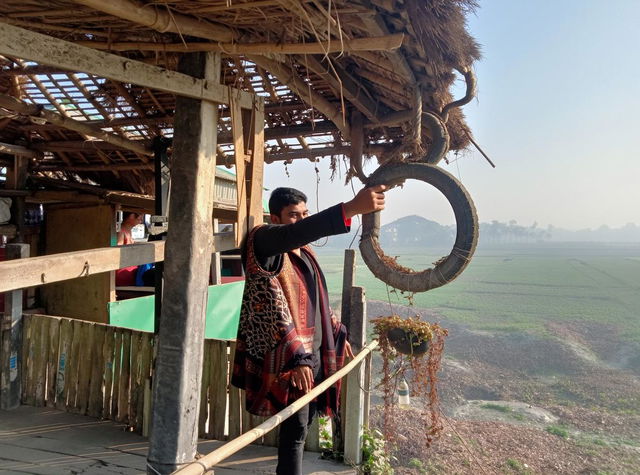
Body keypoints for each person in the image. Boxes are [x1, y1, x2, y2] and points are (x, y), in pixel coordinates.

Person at [231, 185, 385, 475]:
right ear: (274, 219)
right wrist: (351, 208)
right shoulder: (262, 243)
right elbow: (297, 233)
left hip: (310, 356)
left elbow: (317, 299)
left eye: (305, 214)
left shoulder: (304, 253)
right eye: (292, 216)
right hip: (289, 360)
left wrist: (336, 333)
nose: (300, 221)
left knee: (304, 425)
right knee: (296, 429)